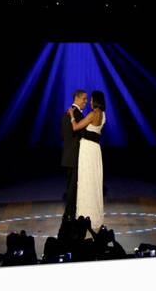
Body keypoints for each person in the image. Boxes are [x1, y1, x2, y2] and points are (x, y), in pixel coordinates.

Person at [68, 90, 106, 231]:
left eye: (91, 100)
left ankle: (85, 215)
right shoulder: (103, 115)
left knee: (85, 181)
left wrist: (72, 116)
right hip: (96, 150)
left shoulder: (92, 114)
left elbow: (76, 127)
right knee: (94, 181)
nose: (89, 102)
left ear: (96, 101)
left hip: (87, 150)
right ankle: (95, 215)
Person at [61, 89, 87, 221]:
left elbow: (63, 135)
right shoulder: (77, 114)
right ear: (77, 98)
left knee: (70, 185)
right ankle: (69, 215)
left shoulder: (66, 113)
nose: (86, 102)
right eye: (84, 99)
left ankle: (70, 213)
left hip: (67, 155)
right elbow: (82, 134)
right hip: (75, 156)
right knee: (73, 187)